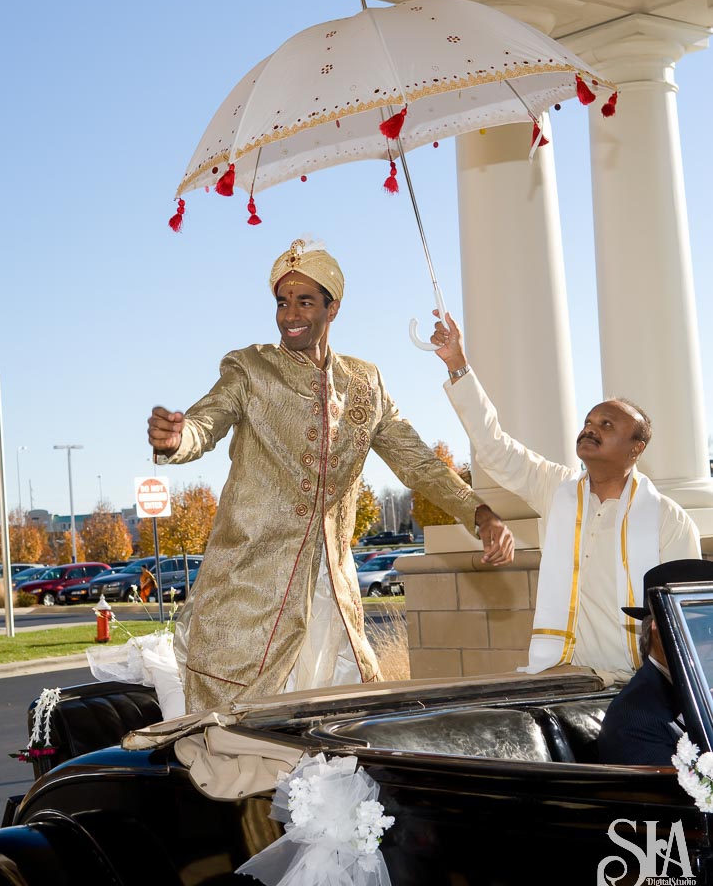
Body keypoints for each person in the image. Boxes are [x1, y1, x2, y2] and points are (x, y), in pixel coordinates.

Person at [147, 238, 515, 713]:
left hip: (329, 596)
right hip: (250, 588)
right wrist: (177, 440)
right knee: (238, 733)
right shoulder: (248, 368)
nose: (290, 314)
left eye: (304, 301)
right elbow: (204, 424)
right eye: (282, 302)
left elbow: (417, 462)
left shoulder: (365, 382)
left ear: (332, 308)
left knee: (334, 723)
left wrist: (479, 512)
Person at [430, 312, 701, 682]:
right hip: (562, 675)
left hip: (638, 684)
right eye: (589, 422)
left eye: (607, 425)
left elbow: (685, 621)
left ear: (636, 449)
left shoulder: (668, 521)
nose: (591, 429)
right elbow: (494, 448)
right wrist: (458, 366)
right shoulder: (556, 490)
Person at [597, 559, 713, 765]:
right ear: (660, 632)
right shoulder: (633, 720)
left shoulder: (705, 691)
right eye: (706, 629)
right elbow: (690, 793)